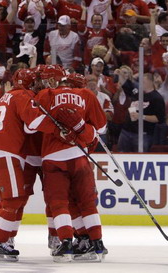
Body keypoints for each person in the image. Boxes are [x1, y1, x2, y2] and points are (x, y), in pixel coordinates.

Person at [28, 65, 108, 262]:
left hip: (54, 158)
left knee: (59, 203)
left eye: (46, 79)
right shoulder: (86, 94)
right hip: (79, 156)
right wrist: (81, 127)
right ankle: (97, 244)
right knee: (87, 202)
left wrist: (57, 130)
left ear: (54, 81)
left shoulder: (46, 95)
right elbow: (102, 128)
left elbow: (31, 125)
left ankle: (66, 244)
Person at [0, 68, 40, 260]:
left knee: (8, 200)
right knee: (14, 199)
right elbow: (32, 126)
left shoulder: (8, 95)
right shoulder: (24, 95)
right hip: (7, 151)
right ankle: (0, 242)